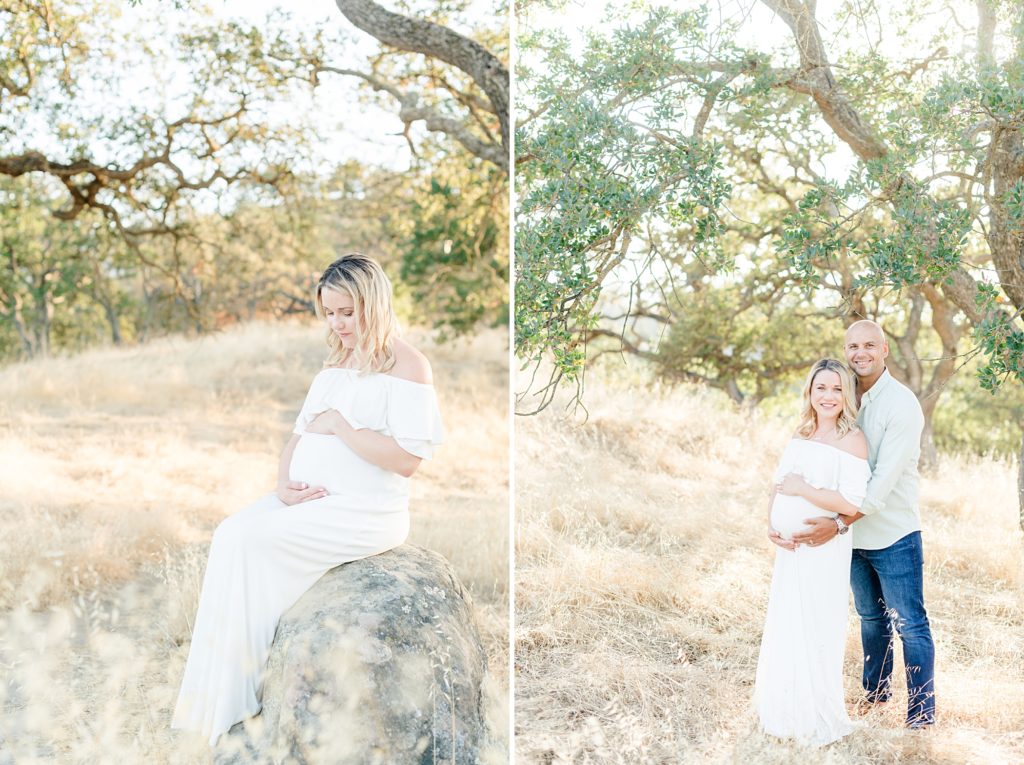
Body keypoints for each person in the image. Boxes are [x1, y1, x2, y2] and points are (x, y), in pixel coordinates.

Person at [171, 253, 444, 745]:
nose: (338, 325)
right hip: (310, 501)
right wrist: (282, 484)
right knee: (230, 533)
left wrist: (343, 426)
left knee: (251, 543)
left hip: (365, 510)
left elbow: (407, 459)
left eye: (347, 312)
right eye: (329, 314)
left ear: (373, 304)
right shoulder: (335, 364)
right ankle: (219, 699)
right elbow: (297, 437)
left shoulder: (409, 366)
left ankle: (245, 696)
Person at [791, 320, 934, 728]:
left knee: (910, 624)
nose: (860, 353)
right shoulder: (841, 392)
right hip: (852, 535)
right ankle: (875, 696)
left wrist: (834, 524)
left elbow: (877, 490)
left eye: (870, 345)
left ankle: (921, 717)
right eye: (853, 345)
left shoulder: (902, 405)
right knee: (871, 619)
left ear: (885, 350)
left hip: (893, 533)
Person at [755, 358, 870, 746]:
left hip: (824, 549)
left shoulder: (852, 438)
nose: (828, 396)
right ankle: (785, 709)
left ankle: (815, 711)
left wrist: (804, 491)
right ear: (810, 391)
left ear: (847, 395)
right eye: (821, 388)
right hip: (790, 552)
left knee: (817, 622)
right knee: (789, 620)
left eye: (837, 389)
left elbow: (852, 501)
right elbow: (779, 482)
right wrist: (773, 526)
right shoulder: (801, 433)